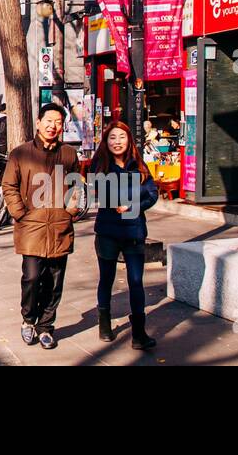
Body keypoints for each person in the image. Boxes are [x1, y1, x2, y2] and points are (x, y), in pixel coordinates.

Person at [3, 105, 80, 350]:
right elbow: (9, 186)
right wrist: (20, 214)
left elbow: (76, 184)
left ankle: (46, 326)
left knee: (55, 282)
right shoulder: (20, 154)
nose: (52, 126)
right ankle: (28, 320)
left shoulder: (69, 154)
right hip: (31, 228)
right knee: (32, 277)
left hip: (60, 228)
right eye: (48, 120)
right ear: (38, 122)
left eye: (58, 122)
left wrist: (71, 210)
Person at [91, 121, 159, 350]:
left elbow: (152, 193)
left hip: (134, 231)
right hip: (108, 232)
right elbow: (100, 190)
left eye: (121, 137)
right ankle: (104, 323)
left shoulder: (139, 164)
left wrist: (134, 205)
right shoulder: (99, 164)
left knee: (136, 281)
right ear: (106, 141)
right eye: (112, 137)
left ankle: (139, 332)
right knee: (106, 279)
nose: (117, 142)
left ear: (129, 140)